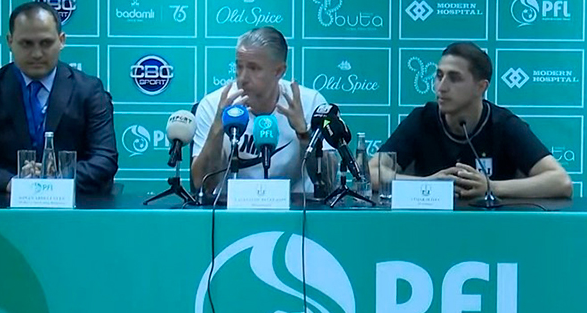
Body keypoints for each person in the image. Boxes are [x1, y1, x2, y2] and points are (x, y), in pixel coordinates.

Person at [0, 2, 118, 194]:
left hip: (75, 204)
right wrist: (13, 184)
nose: (37, 54)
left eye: (46, 43)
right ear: (10, 42)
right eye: (26, 44)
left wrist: (57, 180)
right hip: (3, 203)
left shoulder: (89, 90)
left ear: (61, 41)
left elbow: (105, 159)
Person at [371, 42, 572, 199]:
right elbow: (372, 171)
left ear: (481, 87)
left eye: (454, 78)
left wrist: (491, 187)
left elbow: (560, 181)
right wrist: (428, 184)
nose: (441, 87)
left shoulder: (504, 124)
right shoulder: (422, 119)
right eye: (439, 76)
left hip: (494, 230)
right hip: (429, 227)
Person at [191, 26, 329, 194]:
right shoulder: (213, 106)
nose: (242, 78)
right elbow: (201, 185)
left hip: (295, 206)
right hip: (228, 207)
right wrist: (218, 128)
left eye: (254, 68)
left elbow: (328, 183)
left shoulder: (311, 105)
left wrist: (304, 133)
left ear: (279, 71)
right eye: (239, 67)